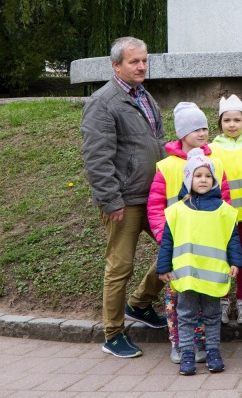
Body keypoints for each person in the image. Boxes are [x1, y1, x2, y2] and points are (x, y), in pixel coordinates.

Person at [80, 36, 168, 359]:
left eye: (144, 60)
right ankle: (113, 333)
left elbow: (157, 141)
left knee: (175, 250)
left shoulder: (145, 96)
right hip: (125, 201)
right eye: (134, 62)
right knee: (120, 267)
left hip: (155, 197)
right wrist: (111, 200)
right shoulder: (103, 102)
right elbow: (96, 158)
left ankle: (141, 304)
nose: (142, 66)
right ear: (116, 65)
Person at [146, 102, 231, 363]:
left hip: (208, 246)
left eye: (205, 127)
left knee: (206, 297)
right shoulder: (166, 166)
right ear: (182, 134)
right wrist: (165, 236)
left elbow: (224, 201)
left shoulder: (215, 162)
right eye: (196, 129)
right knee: (178, 299)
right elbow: (155, 205)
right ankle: (181, 344)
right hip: (179, 246)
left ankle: (204, 342)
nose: (203, 133)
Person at [156, 151, 242, 376]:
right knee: (185, 314)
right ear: (188, 179)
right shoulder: (176, 211)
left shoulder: (225, 211)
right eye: (198, 176)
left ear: (214, 181)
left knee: (213, 315)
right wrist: (163, 267)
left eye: (208, 176)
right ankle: (187, 353)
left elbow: (232, 238)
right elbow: (168, 241)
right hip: (186, 275)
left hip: (213, 274)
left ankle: (213, 352)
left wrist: (235, 261)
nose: (203, 180)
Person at [208, 94, 242, 326]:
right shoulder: (211, 149)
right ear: (220, 122)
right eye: (227, 120)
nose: (232, 124)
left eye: (237, 120)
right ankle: (222, 301)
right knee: (221, 259)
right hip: (221, 216)